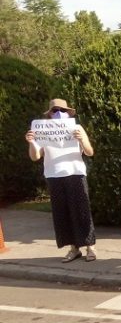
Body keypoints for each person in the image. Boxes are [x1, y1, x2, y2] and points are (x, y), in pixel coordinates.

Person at [24, 99, 97, 262]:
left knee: (82, 211)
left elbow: (90, 152)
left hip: (75, 173)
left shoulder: (77, 128)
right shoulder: (42, 130)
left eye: (62, 110)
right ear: (49, 114)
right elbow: (35, 156)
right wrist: (31, 142)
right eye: (55, 110)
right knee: (62, 213)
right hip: (54, 175)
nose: (59, 113)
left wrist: (82, 140)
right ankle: (73, 248)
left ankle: (90, 247)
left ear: (68, 112)